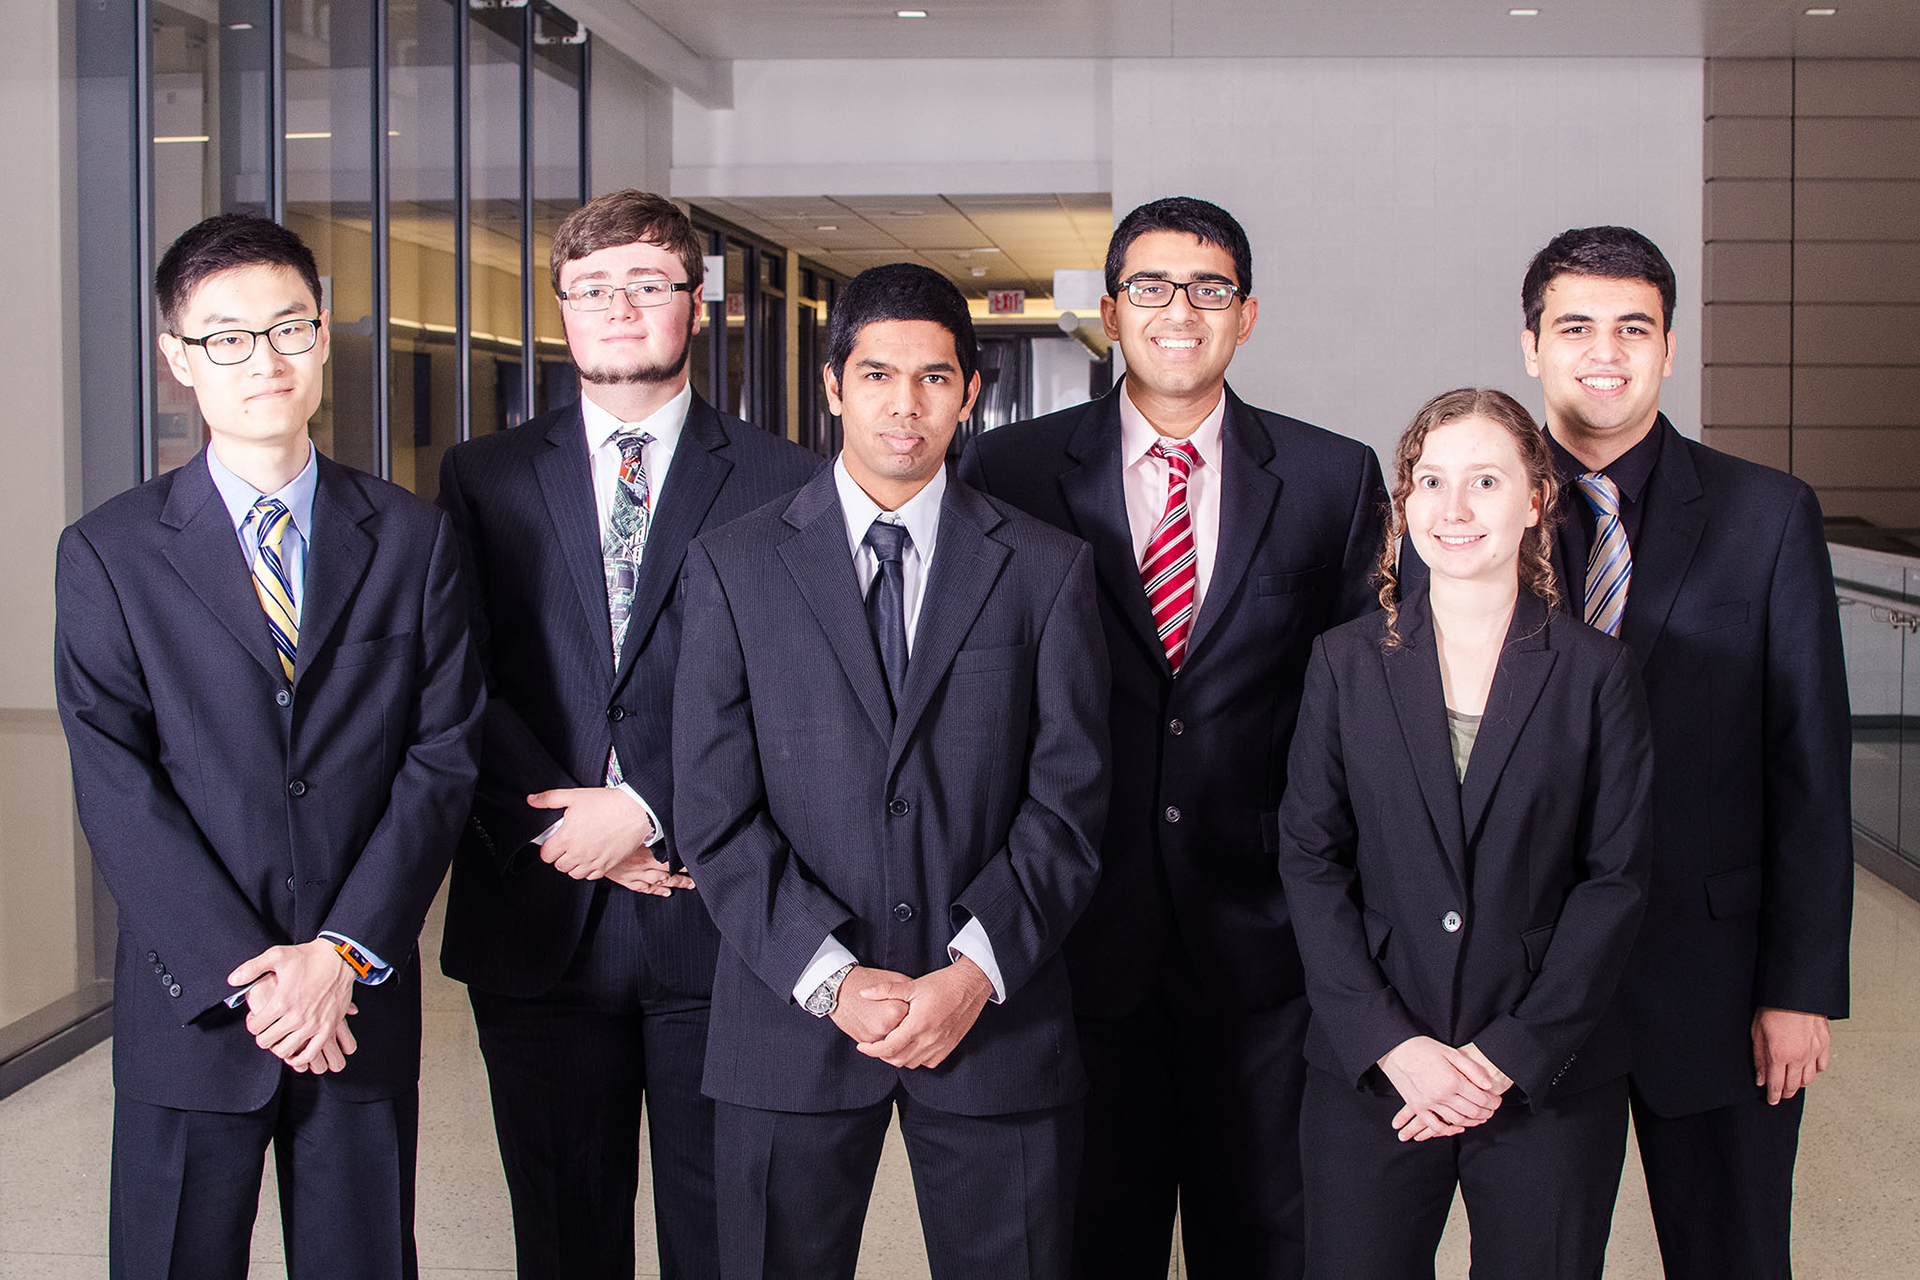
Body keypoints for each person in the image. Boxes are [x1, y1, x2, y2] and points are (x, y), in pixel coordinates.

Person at [958, 196, 1384, 1278]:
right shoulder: (1008, 475)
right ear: (1109, 311)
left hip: (1266, 941)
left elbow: (1360, 719)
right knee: (1094, 1237)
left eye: (1209, 288)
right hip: (1078, 932)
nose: (1179, 310)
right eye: (1150, 286)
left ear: (1247, 315)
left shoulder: (1332, 479)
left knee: (1269, 1239)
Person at [54, 212, 483, 1278]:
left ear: (324, 334)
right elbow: (116, 779)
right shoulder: (109, 553)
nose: (265, 360)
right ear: (178, 358)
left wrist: (338, 953)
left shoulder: (414, 538)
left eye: (289, 328)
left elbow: (443, 754)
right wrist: (254, 977)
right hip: (193, 999)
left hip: (358, 996)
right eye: (227, 337)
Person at [672, 262, 1109, 1279]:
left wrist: (973, 971)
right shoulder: (733, 566)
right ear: (833, 386)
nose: (904, 405)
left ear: (970, 392)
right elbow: (713, 808)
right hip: (792, 1017)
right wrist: (831, 977)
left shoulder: (1046, 568)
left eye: (932, 378)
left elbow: (1071, 798)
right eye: (876, 375)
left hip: (995, 1016)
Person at [436, 190, 819, 1279]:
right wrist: (563, 820)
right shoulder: (483, 474)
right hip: (538, 902)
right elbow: (460, 670)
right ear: (562, 312)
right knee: (562, 1237)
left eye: (650, 283)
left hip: (715, 914)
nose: (621, 306)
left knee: (727, 1237)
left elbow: (792, 688)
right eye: (594, 288)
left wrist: (646, 803)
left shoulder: (784, 479)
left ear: (697, 306)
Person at [1520, 226, 1853, 1278]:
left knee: (1737, 1255)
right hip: (1524, 982)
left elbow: (1808, 764)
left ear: (1669, 346)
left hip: (1714, 980)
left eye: (1634, 327)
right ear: (1532, 345)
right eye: (1575, 326)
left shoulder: (1767, 515)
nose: (1604, 352)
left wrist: (1799, 985)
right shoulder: (1472, 510)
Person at [1276, 387, 1652, 1277]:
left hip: (1543, 1076)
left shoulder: (1598, 675)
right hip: (1374, 1068)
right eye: (1431, 482)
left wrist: (1505, 1057)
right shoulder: (1343, 662)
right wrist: (1393, 1043)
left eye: (1485, 481)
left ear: (1536, 501)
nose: (1454, 509)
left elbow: (1617, 879)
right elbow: (1309, 857)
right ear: (1403, 506)